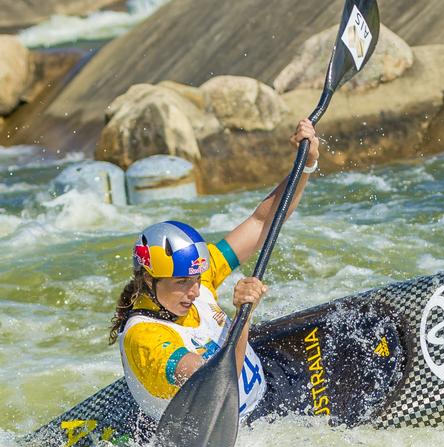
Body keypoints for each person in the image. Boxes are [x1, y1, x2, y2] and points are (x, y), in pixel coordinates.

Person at [108, 119, 320, 421]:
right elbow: (215, 387)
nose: (194, 291)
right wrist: (243, 316)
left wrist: (306, 165)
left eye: (196, 279)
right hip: (233, 433)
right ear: (148, 280)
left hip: (269, 387)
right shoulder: (144, 338)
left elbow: (262, 222)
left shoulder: (197, 275)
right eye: (181, 282)